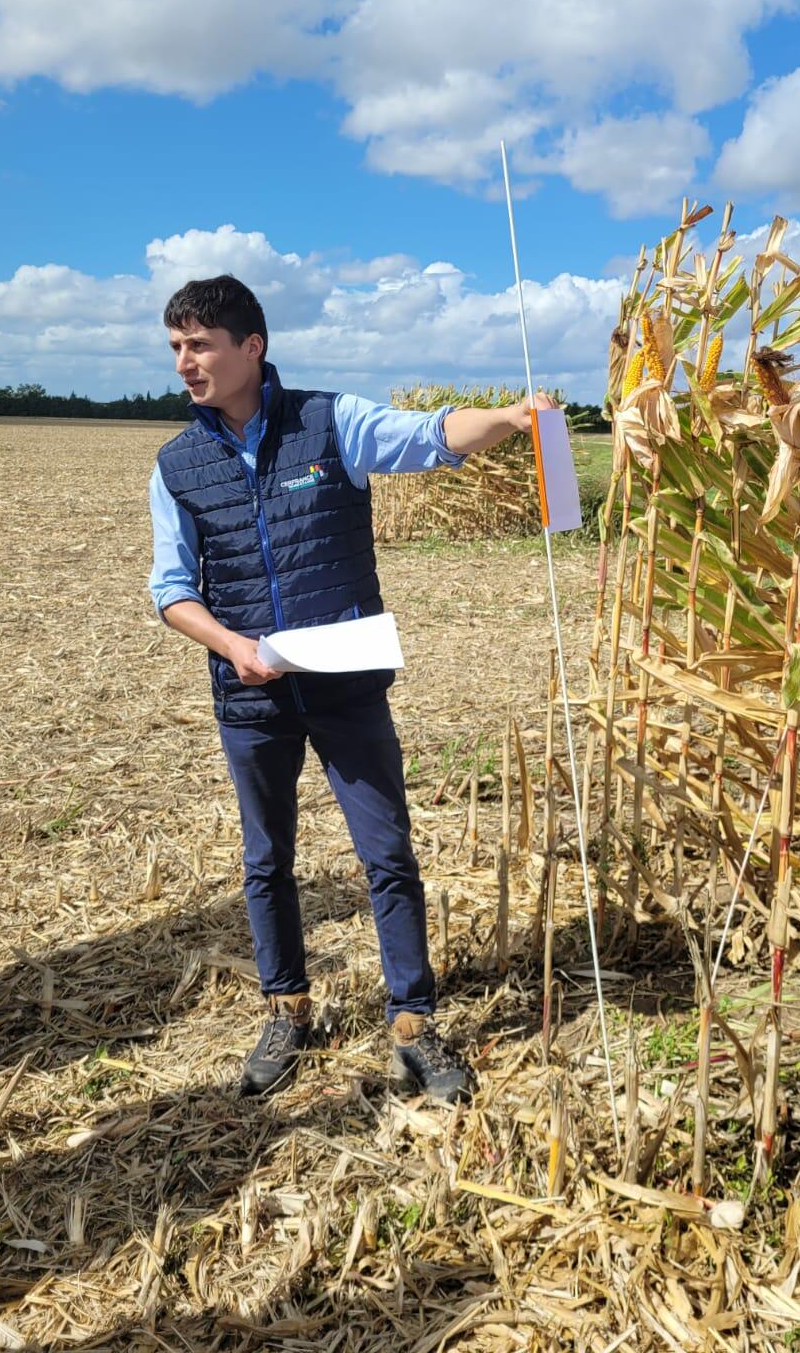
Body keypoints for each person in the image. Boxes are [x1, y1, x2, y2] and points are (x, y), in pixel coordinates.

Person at [148, 273, 558, 1102]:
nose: (186, 363)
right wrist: (235, 648)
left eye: (201, 345)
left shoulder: (332, 422)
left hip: (347, 686)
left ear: (251, 347)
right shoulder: (178, 465)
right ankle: (287, 1011)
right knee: (267, 862)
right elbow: (171, 588)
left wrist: (513, 420)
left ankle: (413, 1023)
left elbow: (431, 435)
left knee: (387, 854)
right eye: (177, 348)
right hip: (251, 696)